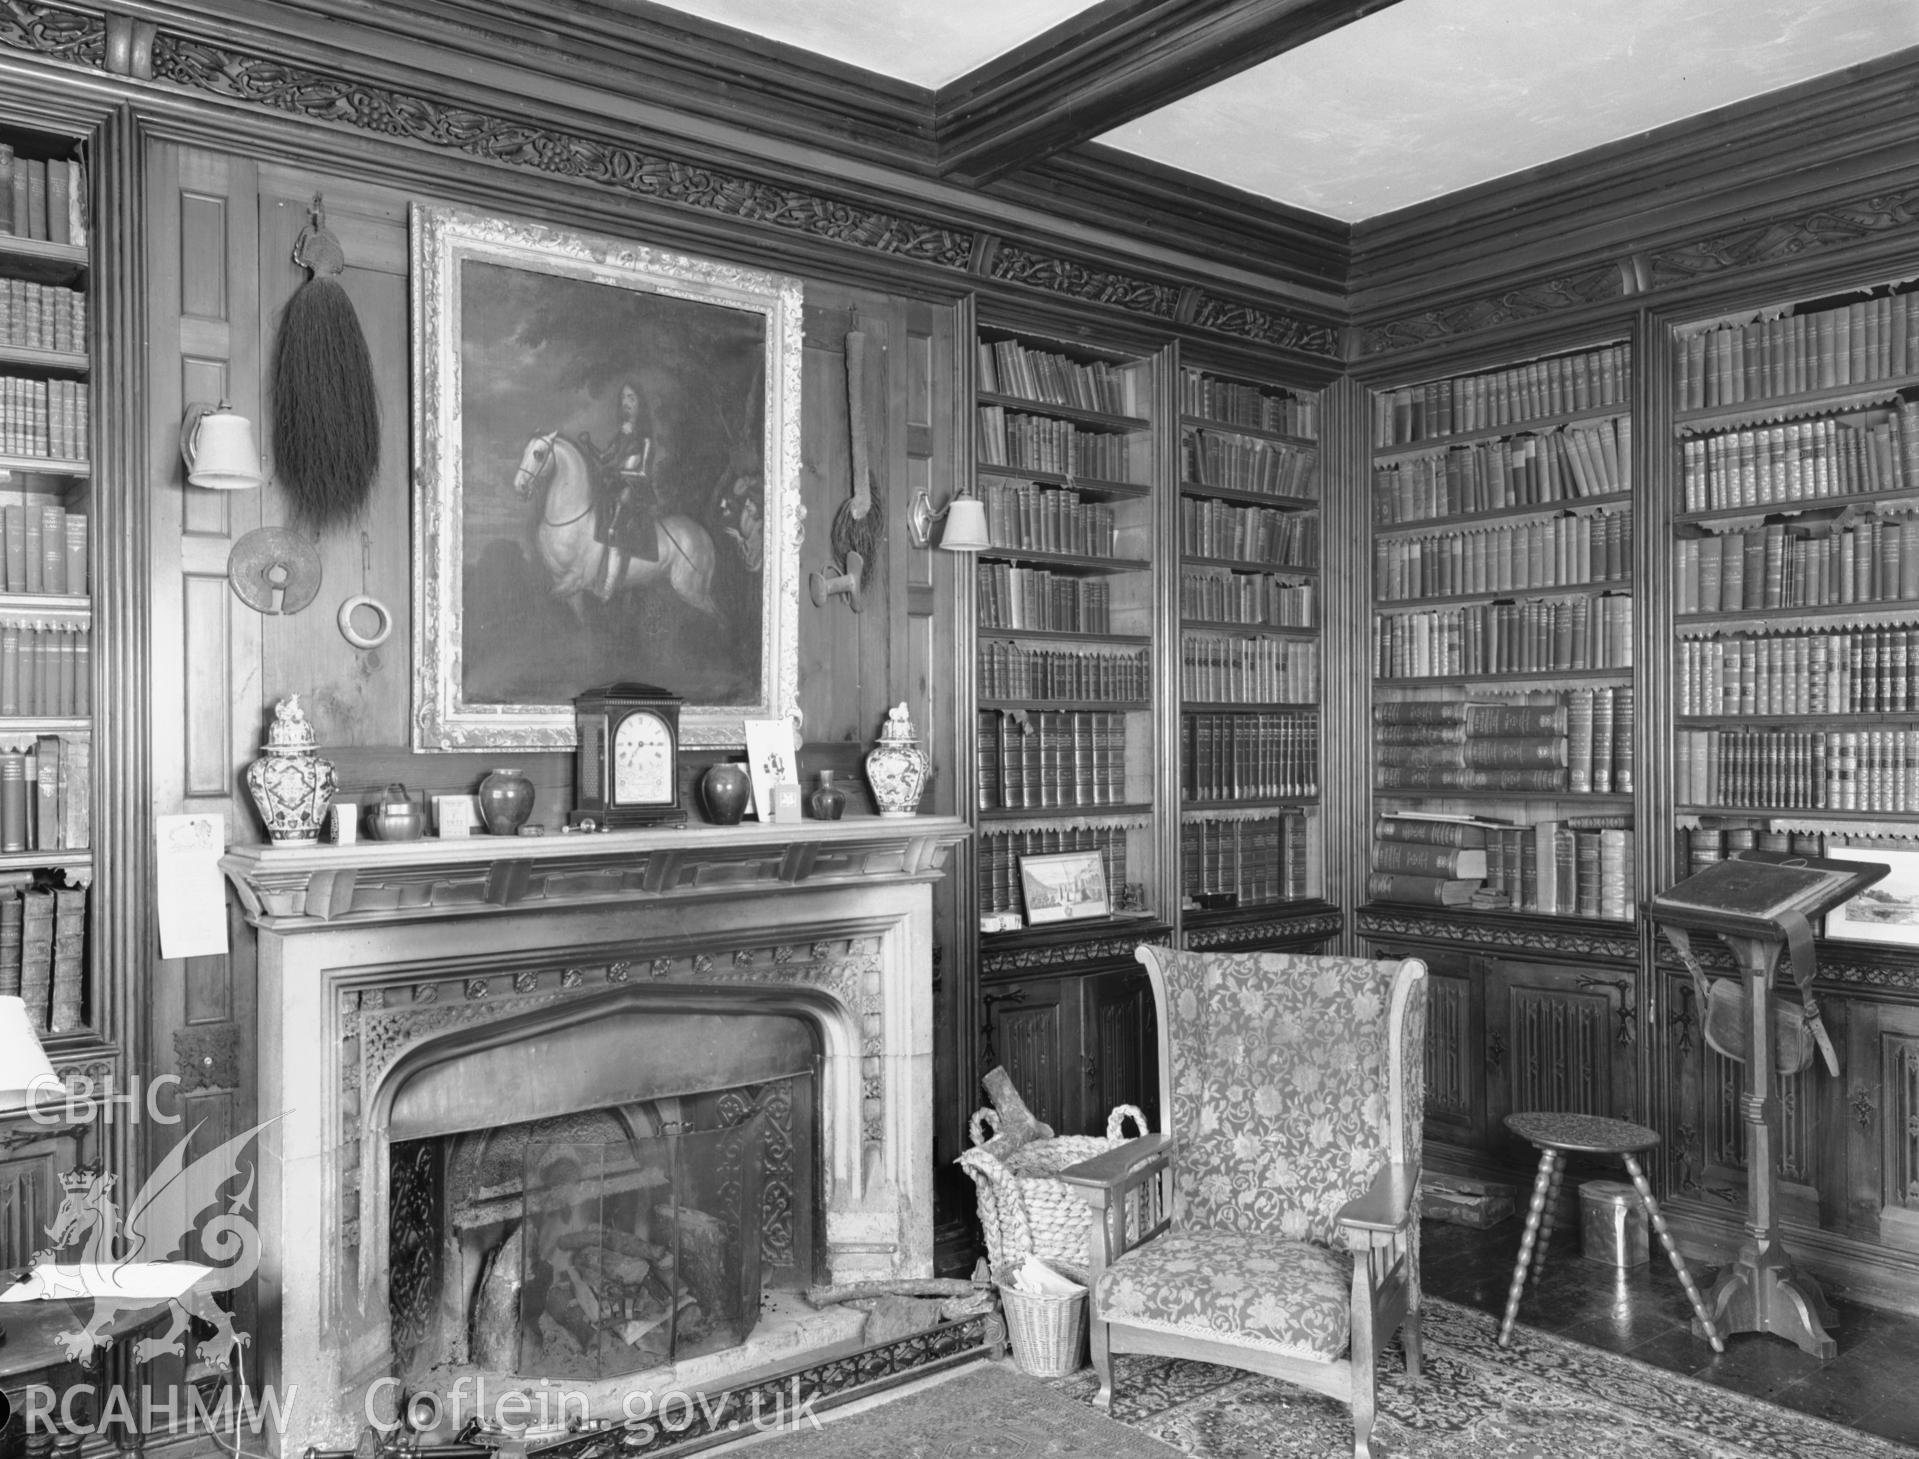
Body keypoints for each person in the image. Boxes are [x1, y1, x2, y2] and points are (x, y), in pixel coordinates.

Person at [593, 380, 661, 566]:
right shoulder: (622, 433)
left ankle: (608, 586)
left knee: (623, 499)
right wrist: (587, 444)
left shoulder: (645, 437)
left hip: (637, 491)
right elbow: (604, 458)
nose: (626, 403)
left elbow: (644, 474)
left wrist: (619, 472)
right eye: (623, 398)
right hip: (619, 484)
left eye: (631, 398)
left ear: (640, 403)